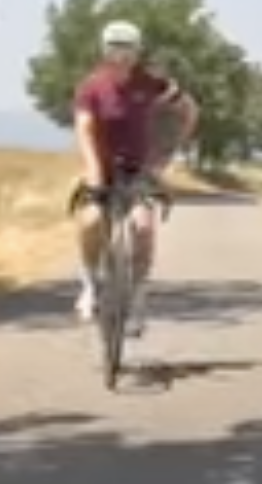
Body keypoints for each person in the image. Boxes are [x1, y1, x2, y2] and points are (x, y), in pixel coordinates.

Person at [69, 19, 199, 333]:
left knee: (143, 227)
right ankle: (89, 284)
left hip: (139, 168)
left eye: (127, 49)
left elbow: (188, 110)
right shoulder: (92, 87)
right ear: (104, 50)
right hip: (101, 166)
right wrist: (93, 171)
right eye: (115, 48)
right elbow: (84, 128)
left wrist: (167, 155)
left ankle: (138, 294)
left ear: (138, 51)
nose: (121, 55)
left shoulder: (151, 83)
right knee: (91, 221)